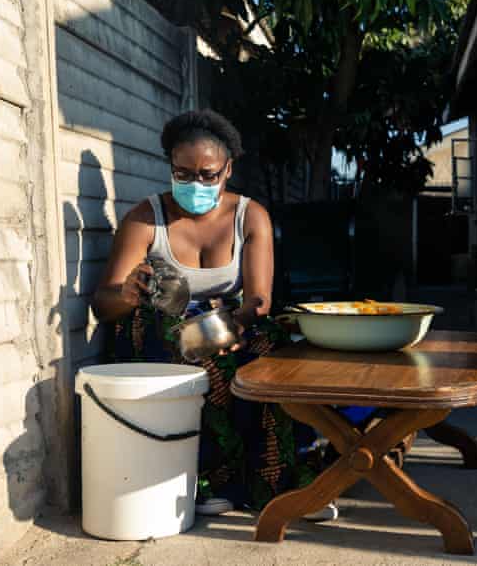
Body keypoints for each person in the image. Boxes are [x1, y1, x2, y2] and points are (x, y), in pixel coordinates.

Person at [93, 109, 336, 520]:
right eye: (183, 173)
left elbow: (259, 299)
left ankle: (280, 482)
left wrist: (236, 324)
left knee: (277, 355)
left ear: (228, 169)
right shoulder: (144, 219)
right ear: (170, 167)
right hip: (160, 330)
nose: (196, 184)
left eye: (208, 174)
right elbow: (103, 302)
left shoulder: (249, 216)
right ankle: (213, 480)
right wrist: (129, 294)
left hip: (231, 321)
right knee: (193, 343)